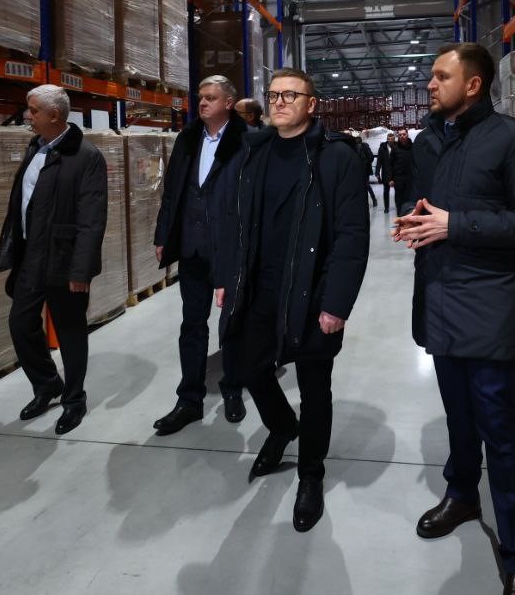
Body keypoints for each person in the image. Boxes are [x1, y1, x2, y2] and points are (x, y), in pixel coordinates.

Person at [393, 43, 515, 595]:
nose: (430, 84)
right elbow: (424, 204)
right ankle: (462, 495)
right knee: (457, 416)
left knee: (499, 427)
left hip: (489, 303)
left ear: (473, 84)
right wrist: (415, 221)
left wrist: (455, 225)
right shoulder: (428, 142)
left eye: (441, 76)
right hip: (439, 295)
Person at [215, 68, 370, 532]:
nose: (280, 102)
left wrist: (336, 303)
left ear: (311, 103)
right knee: (248, 368)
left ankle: (310, 475)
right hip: (257, 287)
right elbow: (232, 219)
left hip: (312, 291)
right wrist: (226, 276)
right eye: (274, 94)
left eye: (291, 95)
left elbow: (352, 235)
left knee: (314, 388)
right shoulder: (253, 151)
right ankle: (283, 426)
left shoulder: (335, 157)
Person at [0, 84, 107, 436]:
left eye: (33, 110)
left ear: (54, 115)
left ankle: (74, 399)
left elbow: (92, 219)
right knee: (20, 323)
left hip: (64, 259)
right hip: (31, 256)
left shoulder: (86, 156)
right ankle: (47, 384)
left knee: (70, 332)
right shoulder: (36, 147)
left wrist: (81, 270)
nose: (28, 116)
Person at [151, 76, 249, 435]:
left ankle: (232, 388)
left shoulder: (247, 142)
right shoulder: (187, 139)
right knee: (192, 323)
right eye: (201, 97)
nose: (202, 103)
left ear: (228, 103)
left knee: (232, 323)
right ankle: (189, 399)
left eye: (210, 98)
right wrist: (164, 234)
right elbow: (172, 191)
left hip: (230, 249)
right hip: (192, 248)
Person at [389, 128, 415, 214]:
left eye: (404, 134)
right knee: (399, 199)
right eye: (400, 135)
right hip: (398, 179)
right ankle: (400, 216)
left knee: (410, 199)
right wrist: (391, 179)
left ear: (407, 135)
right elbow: (390, 164)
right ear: (398, 136)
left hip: (411, 179)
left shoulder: (413, 147)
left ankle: (409, 217)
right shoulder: (395, 148)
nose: (402, 136)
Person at [375, 134, 395, 213]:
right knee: (386, 191)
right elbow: (379, 161)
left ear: (394, 139)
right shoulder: (382, 148)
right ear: (387, 139)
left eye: (392, 139)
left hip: (395, 173)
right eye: (389, 139)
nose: (390, 141)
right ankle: (386, 207)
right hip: (386, 173)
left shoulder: (397, 147)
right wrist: (377, 172)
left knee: (398, 191)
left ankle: (399, 206)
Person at [355, 135, 377, 207]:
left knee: (366, 185)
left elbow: (370, 157)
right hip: (361, 170)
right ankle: (369, 200)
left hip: (363, 170)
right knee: (364, 185)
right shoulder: (360, 147)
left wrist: (367, 164)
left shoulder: (363, 147)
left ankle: (373, 200)